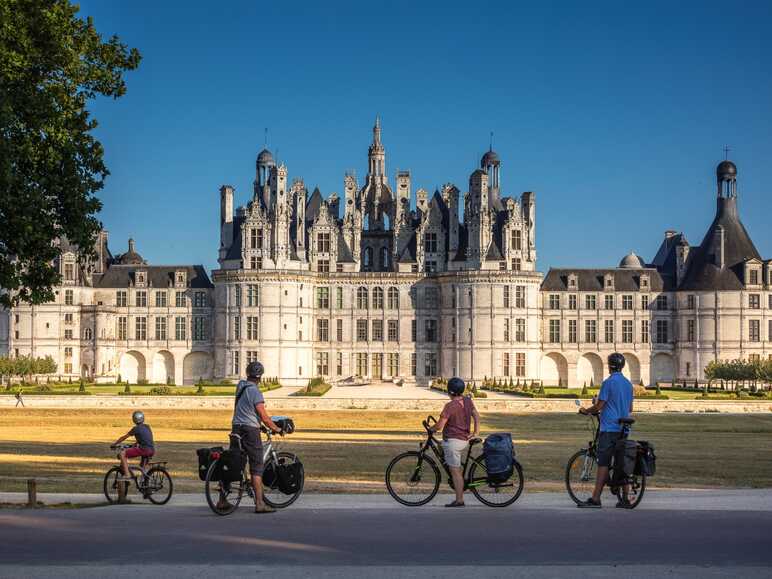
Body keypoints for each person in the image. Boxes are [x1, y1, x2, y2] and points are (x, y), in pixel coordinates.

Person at [577, 352, 634, 508]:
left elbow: (599, 406)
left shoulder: (608, 383)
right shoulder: (628, 384)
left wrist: (586, 411)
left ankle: (595, 499)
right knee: (621, 463)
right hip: (624, 430)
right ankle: (625, 499)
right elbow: (630, 408)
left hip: (609, 428)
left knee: (603, 462)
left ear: (610, 366)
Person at [228, 360, 283, 514]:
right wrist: (276, 428)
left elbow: (245, 409)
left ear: (247, 374)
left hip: (236, 427)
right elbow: (264, 416)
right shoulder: (255, 391)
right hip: (250, 431)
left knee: (234, 463)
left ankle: (221, 500)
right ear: (260, 377)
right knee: (256, 467)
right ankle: (259, 504)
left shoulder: (240, 386)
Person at [428, 377, 480, 507]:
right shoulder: (468, 401)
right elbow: (476, 415)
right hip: (464, 439)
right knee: (441, 445)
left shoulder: (450, 406)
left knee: (455, 471)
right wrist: (476, 432)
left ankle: (459, 500)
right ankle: (454, 469)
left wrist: (430, 429)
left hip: (454, 442)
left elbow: (439, 426)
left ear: (450, 392)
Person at [112, 410, 154, 480]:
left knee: (122, 454)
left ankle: (127, 474)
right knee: (142, 467)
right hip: (151, 450)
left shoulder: (135, 429)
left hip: (144, 450)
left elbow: (124, 437)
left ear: (134, 419)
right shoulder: (147, 426)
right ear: (143, 418)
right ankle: (145, 484)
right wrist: (135, 444)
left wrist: (115, 444)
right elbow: (144, 438)